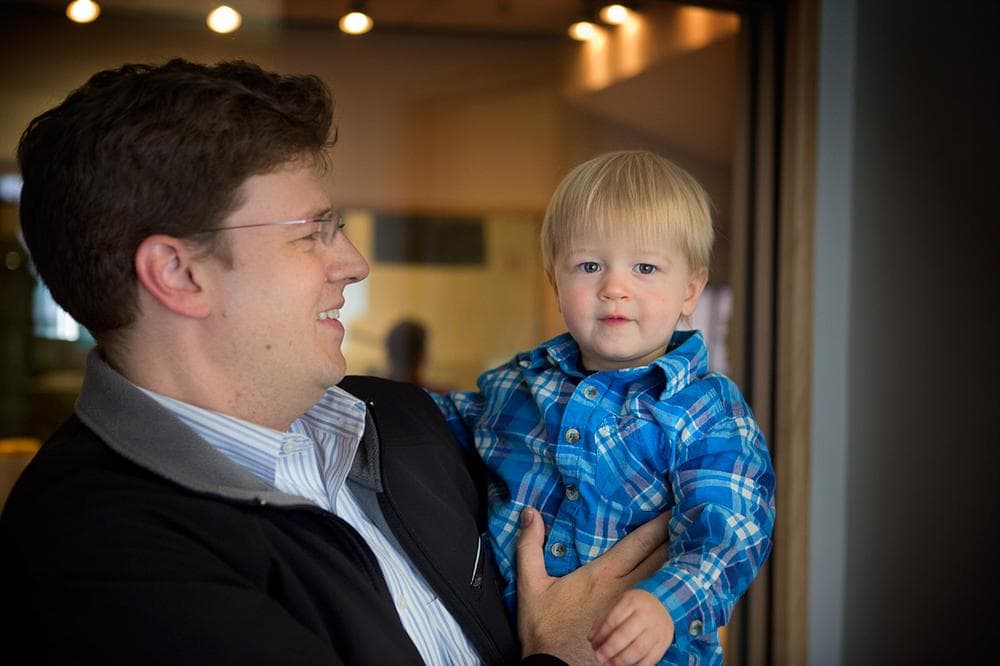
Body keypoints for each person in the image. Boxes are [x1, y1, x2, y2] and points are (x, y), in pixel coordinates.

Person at [0, 60, 668, 665]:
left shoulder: (405, 421)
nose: (353, 264)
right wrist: (561, 660)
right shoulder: (95, 555)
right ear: (178, 273)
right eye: (314, 233)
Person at [434, 150, 776, 665]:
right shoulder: (516, 386)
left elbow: (730, 530)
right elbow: (437, 423)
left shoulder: (708, 412)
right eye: (589, 265)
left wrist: (665, 604)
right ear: (555, 283)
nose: (614, 288)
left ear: (690, 289)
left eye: (645, 267)